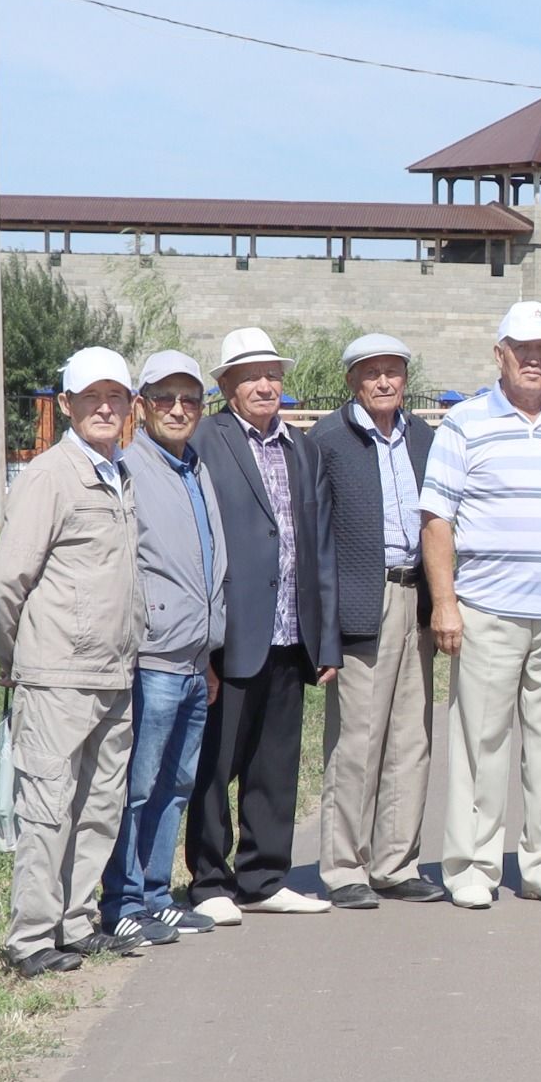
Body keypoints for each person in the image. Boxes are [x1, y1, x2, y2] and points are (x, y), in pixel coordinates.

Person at [420, 301, 541, 909]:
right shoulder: (465, 423)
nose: (534, 359)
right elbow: (437, 519)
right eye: (523, 348)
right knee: (481, 742)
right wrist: (445, 603)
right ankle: (473, 867)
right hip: (486, 610)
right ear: (499, 353)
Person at [0, 347, 146, 977]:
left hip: (113, 672)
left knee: (99, 806)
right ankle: (30, 939)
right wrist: (16, 658)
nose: (104, 407)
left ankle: (76, 925)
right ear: (66, 406)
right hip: (57, 675)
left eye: (115, 397)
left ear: (131, 407)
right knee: (49, 809)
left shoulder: (117, 472)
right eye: (91, 398)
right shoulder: (51, 476)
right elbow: (6, 582)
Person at [186, 327, 341, 924]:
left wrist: (323, 637)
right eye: (250, 375)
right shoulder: (205, 438)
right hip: (231, 633)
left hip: (289, 632)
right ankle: (209, 882)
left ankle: (264, 875)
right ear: (226, 385)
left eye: (272, 374)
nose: (265, 385)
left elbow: (318, 545)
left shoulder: (302, 448)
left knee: (274, 764)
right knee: (214, 764)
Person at [307, 334, 444, 909]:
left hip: (418, 597)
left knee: (411, 737)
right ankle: (344, 869)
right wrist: (326, 626)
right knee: (358, 739)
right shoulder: (328, 441)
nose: (385, 382)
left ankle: (396, 861)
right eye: (372, 373)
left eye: (394, 371)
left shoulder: (425, 437)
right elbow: (315, 539)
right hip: (365, 604)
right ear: (352, 382)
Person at [98, 351, 228, 947]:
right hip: (152, 659)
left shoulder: (193, 466)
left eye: (191, 399)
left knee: (176, 783)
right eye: (166, 398)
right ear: (143, 405)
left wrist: (207, 653)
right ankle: (120, 901)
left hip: (193, 660)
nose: (179, 409)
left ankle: (155, 894)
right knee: (138, 784)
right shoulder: (130, 467)